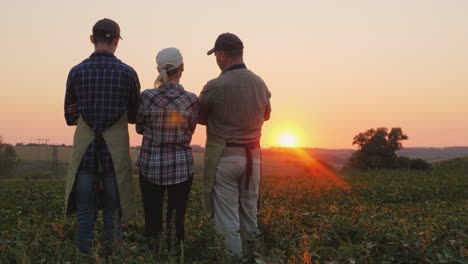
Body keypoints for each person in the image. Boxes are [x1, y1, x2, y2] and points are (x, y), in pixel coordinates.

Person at [64, 18, 140, 255]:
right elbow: (134, 117)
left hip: (85, 156)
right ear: (117, 40)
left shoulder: (76, 72)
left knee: (85, 213)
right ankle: (113, 257)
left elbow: (69, 117)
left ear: (91, 39)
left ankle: (85, 257)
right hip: (114, 158)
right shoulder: (128, 74)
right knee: (112, 214)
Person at [198, 33, 272, 258]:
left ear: (221, 55)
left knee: (227, 219)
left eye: (216, 55)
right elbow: (267, 115)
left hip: (226, 157)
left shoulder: (215, 86)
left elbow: (199, 116)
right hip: (254, 159)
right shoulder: (260, 83)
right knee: (250, 215)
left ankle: (233, 259)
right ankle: (254, 258)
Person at [136, 47, 199, 249]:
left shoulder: (146, 97)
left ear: (158, 68)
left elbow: (139, 127)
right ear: (183, 68)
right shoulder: (191, 100)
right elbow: (191, 130)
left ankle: (153, 253)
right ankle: (175, 254)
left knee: (152, 221)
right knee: (176, 221)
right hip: (181, 168)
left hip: (150, 167)